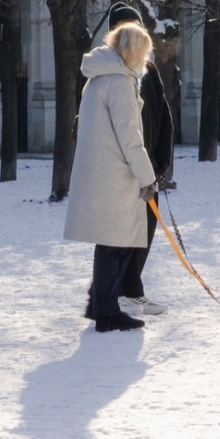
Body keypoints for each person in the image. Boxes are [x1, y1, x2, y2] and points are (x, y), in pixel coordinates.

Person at [63, 18, 158, 332]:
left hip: (103, 171)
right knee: (117, 242)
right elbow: (130, 136)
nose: (145, 60)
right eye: (143, 53)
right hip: (116, 173)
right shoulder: (119, 81)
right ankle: (105, 311)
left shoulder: (99, 77)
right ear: (131, 52)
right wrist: (147, 177)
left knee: (114, 240)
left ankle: (99, 303)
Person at [107, 4, 174, 315]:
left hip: (148, 171)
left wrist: (161, 164)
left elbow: (164, 118)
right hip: (122, 172)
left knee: (144, 230)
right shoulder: (110, 72)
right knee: (121, 233)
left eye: (135, 28)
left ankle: (126, 290)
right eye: (124, 29)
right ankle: (124, 291)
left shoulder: (149, 71)